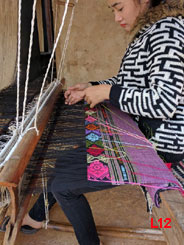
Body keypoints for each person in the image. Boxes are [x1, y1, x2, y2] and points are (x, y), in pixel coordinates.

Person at [22, 0, 184, 244]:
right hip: (141, 134)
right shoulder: (150, 31)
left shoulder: (168, 30)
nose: (117, 17)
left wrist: (108, 93)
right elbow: (129, 81)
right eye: (113, 10)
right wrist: (94, 86)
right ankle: (36, 216)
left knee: (64, 185)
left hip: (160, 147)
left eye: (119, 7)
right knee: (66, 159)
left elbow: (163, 102)